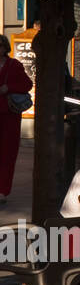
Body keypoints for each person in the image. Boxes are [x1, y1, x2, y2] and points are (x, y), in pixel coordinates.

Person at [0, 33, 33, 200]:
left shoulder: (14, 65)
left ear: (5, 48)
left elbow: (28, 84)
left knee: (8, 152)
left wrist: (9, 87)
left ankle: (3, 190)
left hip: (10, 114)